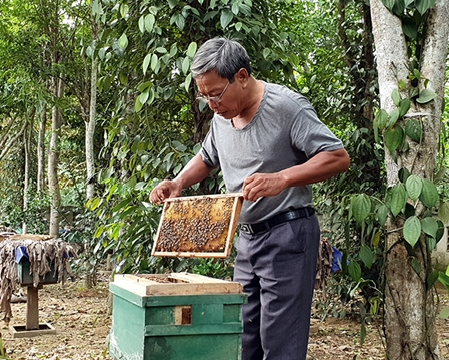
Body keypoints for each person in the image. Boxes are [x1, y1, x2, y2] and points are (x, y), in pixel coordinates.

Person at [150, 37, 350, 360]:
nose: (212, 104)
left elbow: (337, 156)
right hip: (247, 240)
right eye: (205, 97)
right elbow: (207, 155)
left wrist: (282, 179)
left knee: (281, 342)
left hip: (288, 236)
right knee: (243, 337)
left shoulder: (287, 107)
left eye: (216, 94)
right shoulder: (221, 116)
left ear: (241, 76)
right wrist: (178, 182)